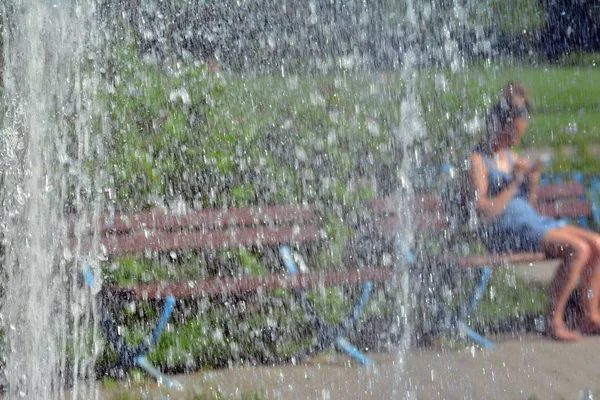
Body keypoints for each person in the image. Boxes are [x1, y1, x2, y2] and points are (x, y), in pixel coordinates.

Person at [468, 81, 600, 341]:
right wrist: (515, 182)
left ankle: (588, 315)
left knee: (597, 242)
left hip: (529, 223)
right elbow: (482, 209)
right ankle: (553, 321)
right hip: (505, 231)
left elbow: (526, 204)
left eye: (519, 135)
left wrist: (532, 179)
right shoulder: (478, 161)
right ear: (499, 126)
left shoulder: (510, 157)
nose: (516, 140)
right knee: (579, 249)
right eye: (513, 133)